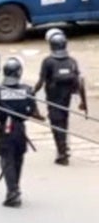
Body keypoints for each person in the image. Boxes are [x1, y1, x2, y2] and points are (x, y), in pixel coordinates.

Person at [0, 57, 43, 208]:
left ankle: (12, 192)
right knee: (18, 159)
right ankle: (15, 187)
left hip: (6, 129)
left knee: (6, 160)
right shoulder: (27, 90)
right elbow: (32, 112)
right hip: (20, 129)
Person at [34, 29, 88, 166]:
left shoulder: (48, 61)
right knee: (63, 121)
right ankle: (64, 148)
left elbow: (41, 81)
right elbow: (79, 82)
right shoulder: (72, 61)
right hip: (66, 98)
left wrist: (31, 92)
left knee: (56, 123)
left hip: (53, 98)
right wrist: (82, 102)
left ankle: (62, 152)